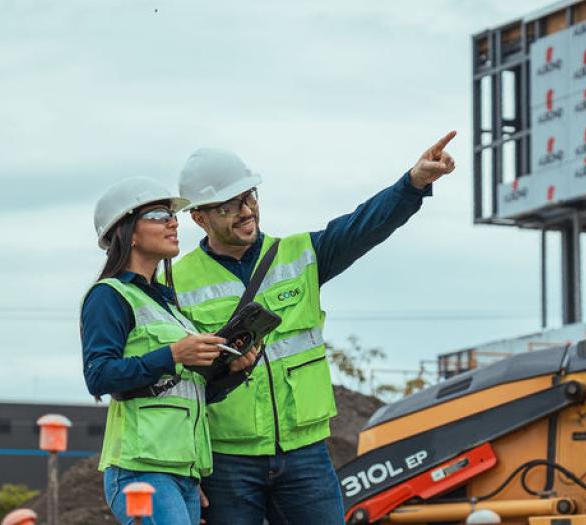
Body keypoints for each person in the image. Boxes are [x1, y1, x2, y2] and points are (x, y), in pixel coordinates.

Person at [171, 132, 457, 524]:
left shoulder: (300, 254)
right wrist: (187, 470)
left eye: (249, 196)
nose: (246, 210)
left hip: (305, 452)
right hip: (227, 459)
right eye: (228, 206)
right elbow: (177, 386)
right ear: (199, 217)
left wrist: (413, 184)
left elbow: (363, 226)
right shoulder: (175, 282)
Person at [81, 176, 258, 525]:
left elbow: (185, 390)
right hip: (140, 472)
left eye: (172, 216)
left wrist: (232, 373)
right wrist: (174, 355)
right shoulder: (109, 296)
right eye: (160, 215)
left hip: (183, 473)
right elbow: (99, 376)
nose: (174, 222)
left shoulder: (168, 305)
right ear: (128, 231)